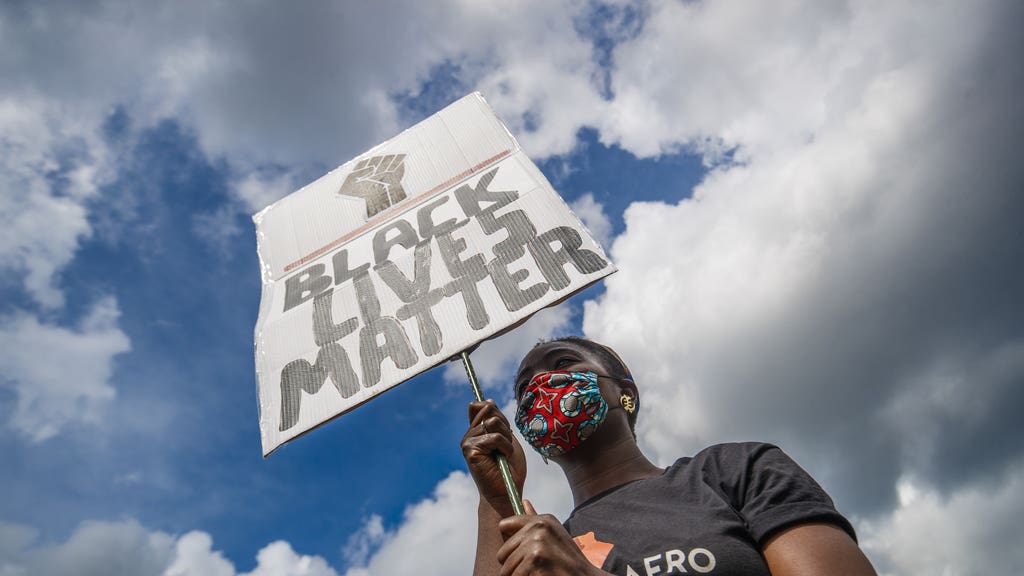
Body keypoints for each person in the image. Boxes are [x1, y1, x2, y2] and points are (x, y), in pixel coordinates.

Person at [461, 336, 877, 576]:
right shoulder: (544, 548)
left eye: (563, 363)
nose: (541, 384)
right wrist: (496, 499)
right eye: (524, 388)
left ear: (626, 394)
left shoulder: (733, 471)